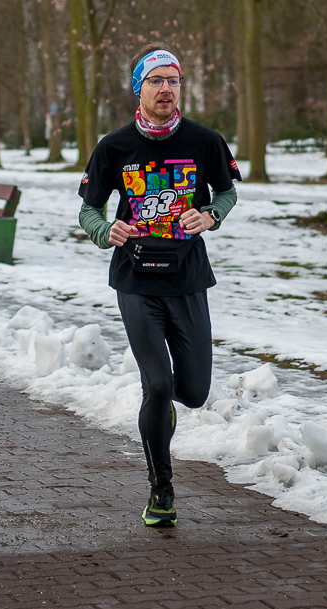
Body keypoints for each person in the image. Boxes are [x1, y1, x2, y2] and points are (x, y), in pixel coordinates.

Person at [77, 46, 240, 527]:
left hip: (188, 280)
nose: (165, 88)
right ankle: (161, 490)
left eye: (173, 81)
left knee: (191, 393)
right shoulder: (114, 147)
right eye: (155, 81)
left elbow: (229, 192)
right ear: (139, 88)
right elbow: (89, 208)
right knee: (157, 384)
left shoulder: (205, 142)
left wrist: (210, 215)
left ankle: (164, 413)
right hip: (135, 280)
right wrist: (106, 231)